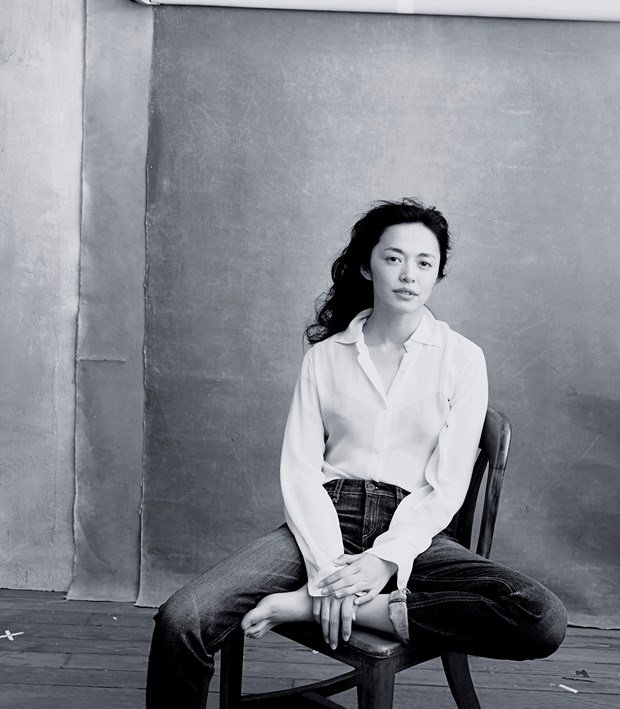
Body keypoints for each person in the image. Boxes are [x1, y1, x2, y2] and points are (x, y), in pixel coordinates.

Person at [145, 198, 567, 708]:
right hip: (326, 517)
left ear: (437, 274)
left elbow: (448, 484)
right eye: (393, 258)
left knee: (540, 616)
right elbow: (300, 472)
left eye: (424, 262)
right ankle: (327, 596)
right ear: (367, 267)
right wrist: (329, 574)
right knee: (181, 620)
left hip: (416, 530)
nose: (408, 274)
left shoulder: (462, 359)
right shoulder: (325, 358)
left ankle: (303, 606)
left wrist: (383, 562)